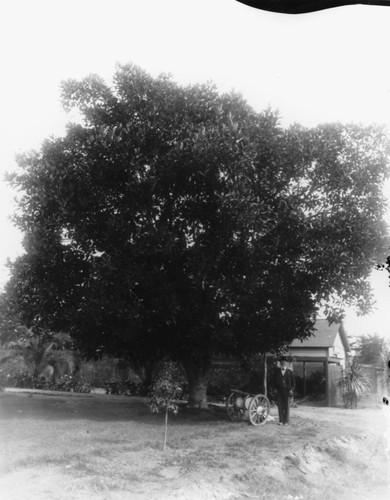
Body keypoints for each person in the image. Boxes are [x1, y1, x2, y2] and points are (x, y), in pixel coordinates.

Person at [272, 356, 295, 426]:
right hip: (279, 390)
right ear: (280, 363)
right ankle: (281, 421)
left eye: (284, 362)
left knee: (287, 405)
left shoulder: (290, 372)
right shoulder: (277, 372)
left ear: (287, 364)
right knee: (280, 405)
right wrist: (275, 389)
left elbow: (293, 382)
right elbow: (273, 381)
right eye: (282, 362)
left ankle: (286, 421)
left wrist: (291, 390)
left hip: (287, 390)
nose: (283, 363)